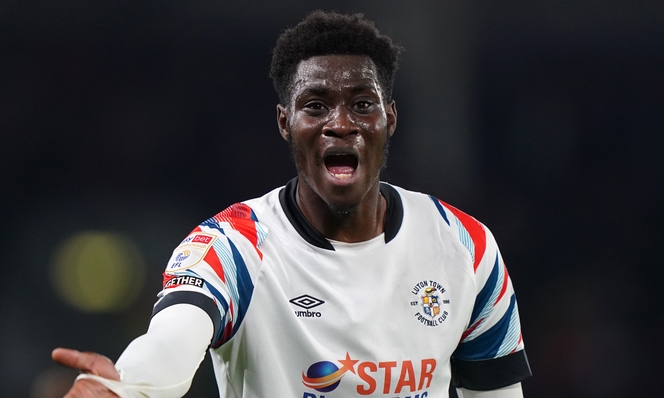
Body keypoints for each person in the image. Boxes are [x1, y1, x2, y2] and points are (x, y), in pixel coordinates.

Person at [53, 11, 532, 398]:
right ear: (286, 122)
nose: (340, 123)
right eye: (316, 105)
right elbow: (171, 342)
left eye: (362, 104)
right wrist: (126, 389)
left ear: (390, 119)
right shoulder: (233, 244)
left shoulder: (466, 246)